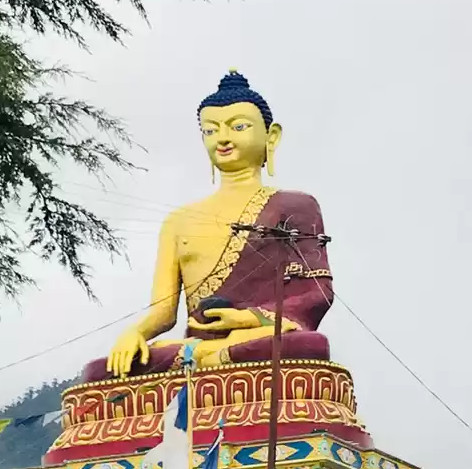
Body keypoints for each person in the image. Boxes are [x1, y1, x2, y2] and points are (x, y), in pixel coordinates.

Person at [99, 71, 333, 379]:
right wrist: (135, 333)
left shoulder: (296, 206)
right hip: (194, 344)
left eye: (239, 126)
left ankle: (206, 360)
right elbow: (163, 312)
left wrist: (246, 319)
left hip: (258, 338)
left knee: (304, 345)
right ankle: (207, 358)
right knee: (109, 368)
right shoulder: (179, 221)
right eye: (210, 130)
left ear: (271, 136)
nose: (222, 138)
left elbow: (317, 292)